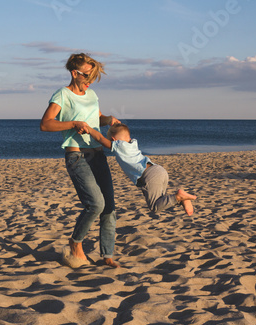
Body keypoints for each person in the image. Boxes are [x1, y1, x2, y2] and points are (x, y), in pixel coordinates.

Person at [40, 53, 120, 268]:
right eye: (87, 76)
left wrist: (108, 120)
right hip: (77, 156)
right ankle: (75, 243)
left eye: (93, 76)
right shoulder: (62, 95)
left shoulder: (92, 94)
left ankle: (108, 256)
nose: (90, 81)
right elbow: (46, 124)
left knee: (109, 207)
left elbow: (96, 119)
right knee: (95, 203)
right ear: (75, 73)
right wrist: (73, 123)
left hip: (98, 155)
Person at [87, 123, 197, 215]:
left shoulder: (119, 145)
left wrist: (89, 129)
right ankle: (183, 200)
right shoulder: (133, 143)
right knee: (161, 200)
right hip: (159, 169)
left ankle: (179, 197)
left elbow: (100, 138)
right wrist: (117, 125)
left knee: (155, 207)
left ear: (113, 139)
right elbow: (122, 132)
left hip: (149, 175)